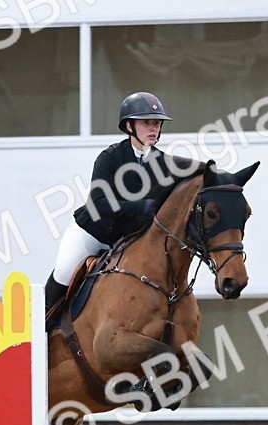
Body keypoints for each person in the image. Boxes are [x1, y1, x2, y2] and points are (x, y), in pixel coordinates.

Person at [44, 91, 177, 315]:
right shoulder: (110, 157)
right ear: (129, 127)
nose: (154, 128)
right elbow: (99, 203)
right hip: (91, 234)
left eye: (156, 123)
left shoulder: (163, 163)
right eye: (147, 123)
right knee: (64, 274)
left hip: (126, 242)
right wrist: (140, 206)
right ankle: (39, 328)